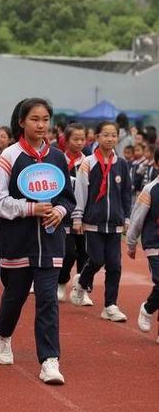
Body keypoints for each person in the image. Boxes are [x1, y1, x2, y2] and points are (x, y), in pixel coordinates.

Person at [0, 98, 75, 385]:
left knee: (48, 298)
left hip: (51, 241)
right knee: (15, 296)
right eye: (35, 119)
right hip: (19, 240)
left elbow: (67, 197)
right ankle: (2, 335)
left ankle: (50, 360)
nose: (41, 125)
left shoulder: (58, 157)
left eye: (46, 119)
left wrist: (60, 211)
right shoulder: (9, 157)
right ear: (22, 122)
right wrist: (29, 208)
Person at [70, 121, 132, 321]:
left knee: (115, 265)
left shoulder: (121, 164)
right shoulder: (88, 163)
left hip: (114, 223)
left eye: (114, 135)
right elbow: (80, 192)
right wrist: (77, 217)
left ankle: (110, 305)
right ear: (97, 137)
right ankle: (81, 283)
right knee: (96, 259)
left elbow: (125, 194)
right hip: (92, 221)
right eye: (106, 135)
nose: (110, 139)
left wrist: (127, 217)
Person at [126, 147, 159, 344]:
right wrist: (131, 243)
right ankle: (148, 308)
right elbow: (137, 218)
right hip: (155, 244)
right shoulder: (150, 190)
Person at [57, 123, 88, 302]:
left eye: (82, 139)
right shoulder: (59, 160)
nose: (79, 143)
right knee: (68, 252)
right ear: (66, 141)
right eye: (75, 139)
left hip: (84, 215)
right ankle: (61, 283)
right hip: (64, 215)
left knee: (85, 253)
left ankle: (81, 288)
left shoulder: (88, 162)